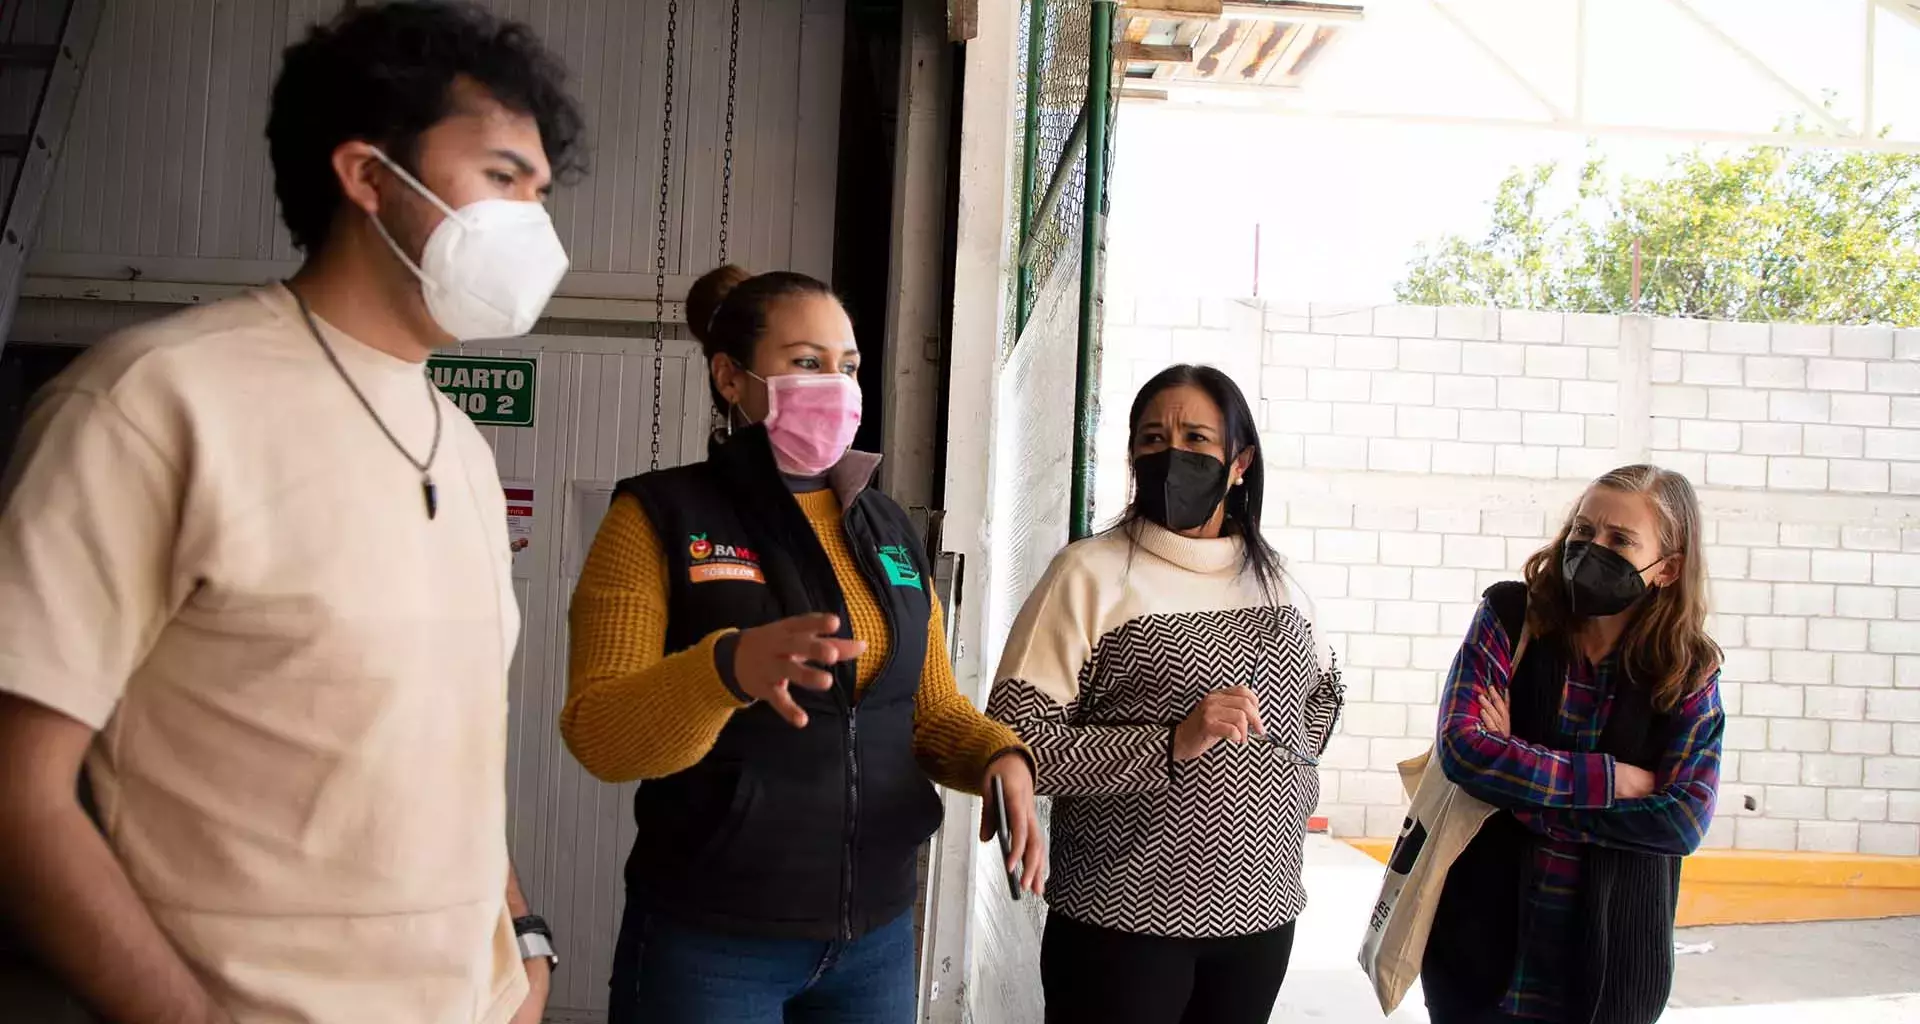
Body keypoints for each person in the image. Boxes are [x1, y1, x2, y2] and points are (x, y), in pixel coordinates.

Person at [0, 4, 584, 1022]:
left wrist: (520, 949)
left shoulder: (464, 445)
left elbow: (436, 750)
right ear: (366, 175)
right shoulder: (154, 404)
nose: (530, 225)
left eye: (539, 194)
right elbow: (17, 794)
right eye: (500, 179)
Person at [563, 264, 1046, 1022]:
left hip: (876, 939)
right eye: (807, 362)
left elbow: (929, 712)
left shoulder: (887, 529)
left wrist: (998, 756)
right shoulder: (659, 516)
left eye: (847, 365)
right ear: (731, 377)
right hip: (713, 941)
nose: (837, 384)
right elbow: (600, 734)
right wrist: (724, 671)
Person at [986, 364, 1344, 1024]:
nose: (1172, 455)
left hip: (1261, 918)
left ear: (1240, 462)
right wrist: (1172, 744)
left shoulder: (1282, 583)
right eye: (1152, 440)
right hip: (1119, 925)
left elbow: (1321, 703)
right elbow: (1014, 741)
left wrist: (1273, 785)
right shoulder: (1089, 573)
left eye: (1196, 439)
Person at [1423, 464, 1725, 1024]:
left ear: (1667, 568)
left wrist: (1521, 795)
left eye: (1620, 540)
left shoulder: (1688, 669)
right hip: (1476, 961)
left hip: (1610, 978)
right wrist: (1612, 781)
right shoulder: (1511, 617)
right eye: (1584, 531)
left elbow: (1682, 820)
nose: (1592, 549)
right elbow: (1464, 749)